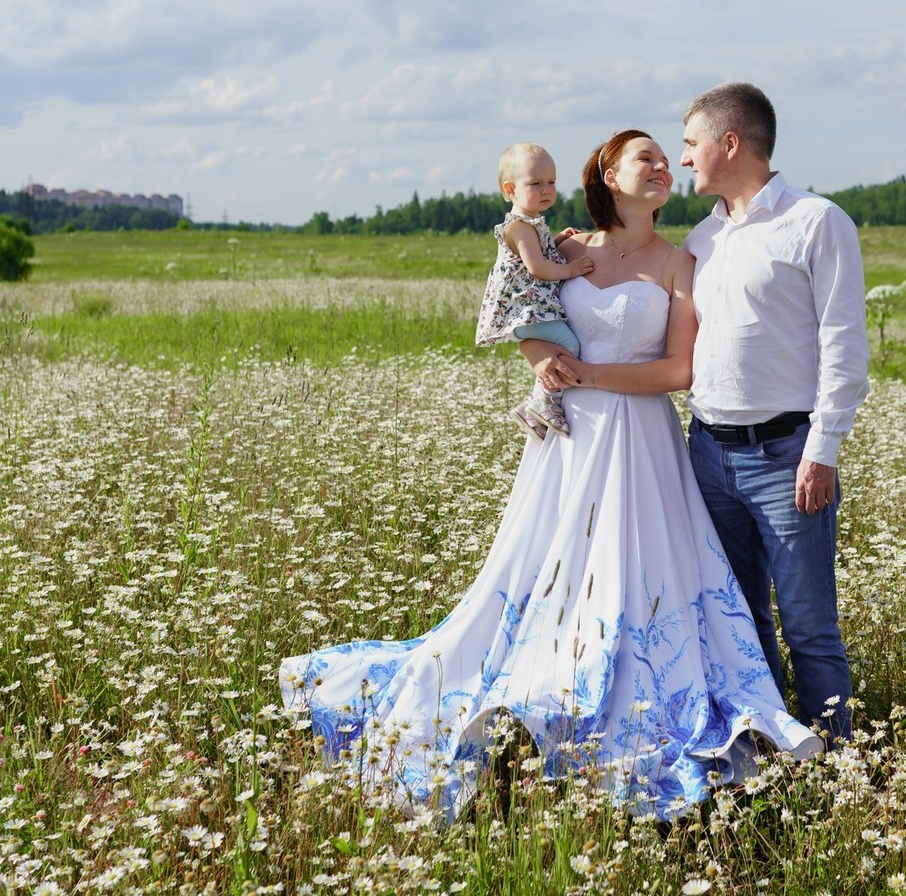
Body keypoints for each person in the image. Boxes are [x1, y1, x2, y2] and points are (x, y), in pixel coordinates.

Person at [279, 129, 821, 820]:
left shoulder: (681, 263)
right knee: (550, 564)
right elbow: (521, 310)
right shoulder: (563, 248)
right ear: (608, 175)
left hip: (643, 439)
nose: (661, 167)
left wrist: (591, 374)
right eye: (645, 159)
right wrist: (540, 360)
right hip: (570, 440)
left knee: (643, 571)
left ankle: (637, 700)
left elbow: (679, 372)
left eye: (666, 159)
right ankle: (545, 680)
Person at [679, 83, 870, 742]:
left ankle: (839, 771)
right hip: (706, 453)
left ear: (729, 143)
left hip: (787, 456)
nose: (683, 160)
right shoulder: (701, 238)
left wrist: (823, 450)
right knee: (741, 619)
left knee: (810, 624)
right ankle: (768, 748)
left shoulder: (817, 221)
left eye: (690, 143)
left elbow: (844, 345)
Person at [475, 142, 594, 440]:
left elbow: (538, 252)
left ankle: (537, 407)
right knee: (570, 346)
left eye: (551, 182)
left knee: (564, 346)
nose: (546, 189)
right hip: (526, 309)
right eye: (536, 183)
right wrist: (571, 269)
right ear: (511, 189)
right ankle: (541, 402)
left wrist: (557, 238)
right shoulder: (520, 226)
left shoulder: (530, 224)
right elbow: (537, 267)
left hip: (530, 306)